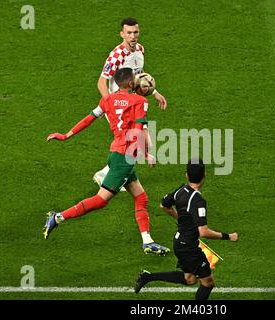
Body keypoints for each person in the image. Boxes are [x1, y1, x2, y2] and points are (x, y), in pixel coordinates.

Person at [43, 68, 170, 256]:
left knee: (141, 198)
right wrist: (146, 154)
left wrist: (65, 135)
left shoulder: (107, 99)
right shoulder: (140, 101)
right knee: (101, 200)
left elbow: (89, 118)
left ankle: (147, 242)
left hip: (116, 153)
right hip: (125, 158)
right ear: (130, 83)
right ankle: (59, 217)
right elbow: (138, 128)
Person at [134, 159, 238, 300]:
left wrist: (181, 219)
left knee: (189, 279)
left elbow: (164, 205)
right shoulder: (198, 201)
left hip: (180, 243)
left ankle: (148, 277)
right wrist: (228, 236)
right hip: (188, 247)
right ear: (204, 175)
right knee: (208, 283)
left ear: (187, 175)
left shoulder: (180, 191)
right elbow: (204, 232)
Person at [94, 17, 168, 187]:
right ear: (122, 34)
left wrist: (154, 92)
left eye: (135, 32)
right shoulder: (116, 56)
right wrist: (109, 105)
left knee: (134, 140)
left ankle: (108, 173)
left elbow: (138, 78)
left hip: (133, 104)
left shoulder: (140, 50)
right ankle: (107, 175)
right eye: (129, 33)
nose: (133, 36)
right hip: (119, 107)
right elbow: (101, 82)